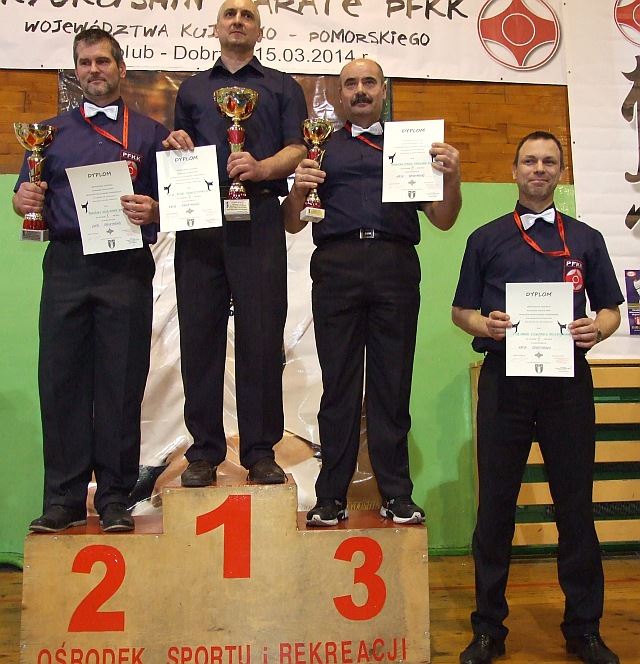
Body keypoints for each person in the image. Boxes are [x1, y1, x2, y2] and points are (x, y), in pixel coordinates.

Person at [452, 131, 623, 664]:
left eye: (550, 161)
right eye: (530, 160)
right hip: (504, 382)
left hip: (567, 385)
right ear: (515, 170)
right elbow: (460, 311)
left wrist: (598, 329)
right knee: (495, 509)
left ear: (560, 172)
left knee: (575, 508)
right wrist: (485, 323)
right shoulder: (484, 238)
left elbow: (611, 309)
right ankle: (488, 630)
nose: (539, 169)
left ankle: (584, 629)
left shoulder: (587, 239)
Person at [282, 58, 462, 526]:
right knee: (338, 387)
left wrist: (451, 176)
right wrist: (298, 190)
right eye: (350, 84)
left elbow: (444, 219)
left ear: (383, 90)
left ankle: (396, 494)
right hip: (336, 266)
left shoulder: (413, 147)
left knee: (391, 385)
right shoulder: (320, 148)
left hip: (394, 266)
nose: (360, 90)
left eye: (369, 82)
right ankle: (330, 497)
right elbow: (292, 223)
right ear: (339, 94)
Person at [13, 28, 169, 533]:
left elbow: (172, 205)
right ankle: (63, 499)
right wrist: (22, 200)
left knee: (121, 383)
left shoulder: (150, 134)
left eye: (103, 61)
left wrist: (154, 209)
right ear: (76, 70)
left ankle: (116, 498)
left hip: (125, 268)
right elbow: (23, 196)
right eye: (85, 62)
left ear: (121, 68)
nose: (94, 70)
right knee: (62, 383)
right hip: (67, 265)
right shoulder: (47, 134)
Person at [162, 0, 307, 487]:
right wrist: (177, 146)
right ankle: (204, 451)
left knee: (261, 337)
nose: (238, 21)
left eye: (247, 15)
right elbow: (180, 145)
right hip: (200, 218)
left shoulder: (282, 86)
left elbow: (298, 148)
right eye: (230, 14)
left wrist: (261, 168)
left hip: (259, 215)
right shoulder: (192, 89)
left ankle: (261, 451)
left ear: (260, 30)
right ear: (217, 27)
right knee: (199, 336)